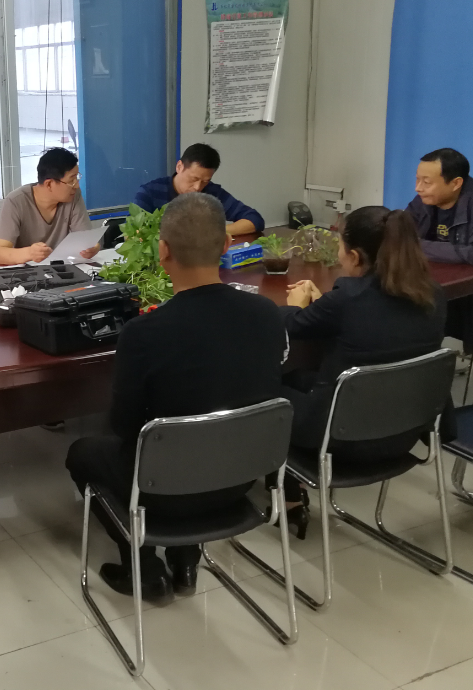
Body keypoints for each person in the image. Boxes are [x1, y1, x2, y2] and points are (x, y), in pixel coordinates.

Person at [65, 193, 286, 601]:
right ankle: (185, 560)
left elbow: (124, 426)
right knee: (204, 429)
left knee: (83, 453)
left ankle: (145, 569)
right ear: (226, 245)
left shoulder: (143, 333)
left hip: (160, 488)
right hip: (240, 478)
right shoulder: (268, 313)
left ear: (162, 251)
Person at [283, 207, 446, 488]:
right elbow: (374, 327)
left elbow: (292, 326)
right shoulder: (434, 295)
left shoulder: (346, 299)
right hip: (405, 432)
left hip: (337, 439)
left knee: (266, 390)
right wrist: (326, 305)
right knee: (301, 377)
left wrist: (296, 306)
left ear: (355, 256)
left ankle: (286, 494)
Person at [0, 147, 101, 265]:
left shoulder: (73, 195)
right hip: (27, 272)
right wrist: (30, 253)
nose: (77, 186)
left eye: (77, 178)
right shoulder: (15, 201)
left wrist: (92, 247)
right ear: (49, 184)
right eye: (71, 180)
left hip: (62, 268)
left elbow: (85, 239)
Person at [133, 143, 264, 235]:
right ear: (179, 167)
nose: (197, 187)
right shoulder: (150, 192)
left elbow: (254, 219)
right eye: (194, 179)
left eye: (205, 181)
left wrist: (214, 233)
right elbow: (131, 232)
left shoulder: (212, 193)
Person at [406, 147, 473, 264]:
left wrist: (416, 246)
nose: (418, 188)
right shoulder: (423, 199)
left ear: (456, 183)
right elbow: (398, 236)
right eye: (417, 179)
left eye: (426, 182)